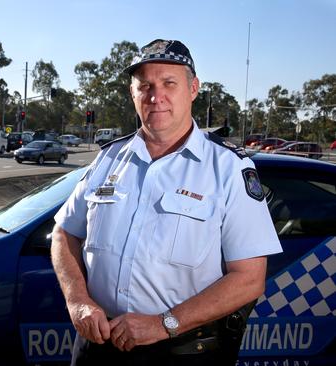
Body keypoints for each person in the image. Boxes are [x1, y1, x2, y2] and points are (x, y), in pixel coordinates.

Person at [51, 39, 283, 366]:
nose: (155, 96)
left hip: (180, 351)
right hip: (97, 348)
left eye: (169, 83)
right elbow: (64, 233)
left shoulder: (228, 167)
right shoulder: (108, 158)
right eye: (144, 85)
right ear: (133, 93)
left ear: (193, 89)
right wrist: (78, 301)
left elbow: (248, 278)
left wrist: (163, 324)